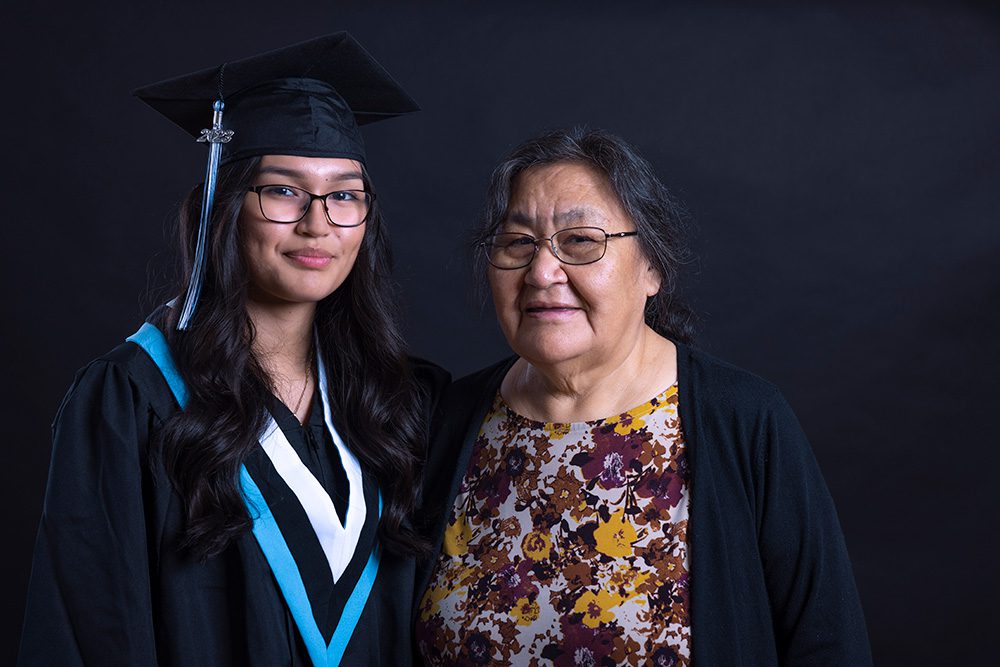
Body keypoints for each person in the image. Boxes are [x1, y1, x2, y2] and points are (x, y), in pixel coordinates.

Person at [19, 33, 447, 666]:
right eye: (283, 190)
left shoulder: (401, 400)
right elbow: (93, 628)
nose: (318, 223)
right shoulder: (132, 398)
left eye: (345, 194)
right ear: (224, 206)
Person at [415, 128, 872, 665]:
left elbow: (828, 645)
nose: (542, 272)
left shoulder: (743, 420)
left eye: (581, 240)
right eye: (519, 243)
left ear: (651, 267)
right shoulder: (447, 421)